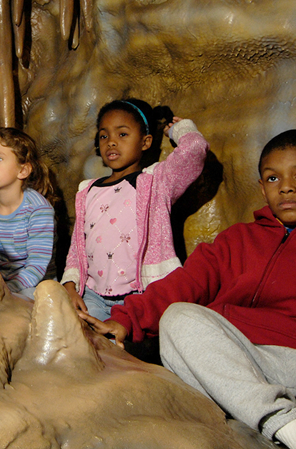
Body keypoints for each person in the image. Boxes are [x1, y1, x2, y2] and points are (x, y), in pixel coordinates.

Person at [90, 129, 296, 449]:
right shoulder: (236, 241)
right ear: (263, 187)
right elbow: (182, 285)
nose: (286, 186)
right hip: (235, 362)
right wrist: (124, 319)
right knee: (179, 318)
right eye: (272, 177)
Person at [61, 98, 208, 320]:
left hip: (141, 296)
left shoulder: (155, 181)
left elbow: (195, 150)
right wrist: (70, 285)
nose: (111, 142)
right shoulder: (88, 190)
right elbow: (77, 248)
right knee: (84, 340)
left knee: (120, 347)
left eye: (122, 134)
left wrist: (180, 129)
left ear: (145, 142)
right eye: (104, 135)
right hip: (92, 296)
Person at [0, 127, 56, 300]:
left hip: (36, 284)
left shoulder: (39, 210)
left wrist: (6, 290)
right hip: (0, 282)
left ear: (23, 170)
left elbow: (36, 267)